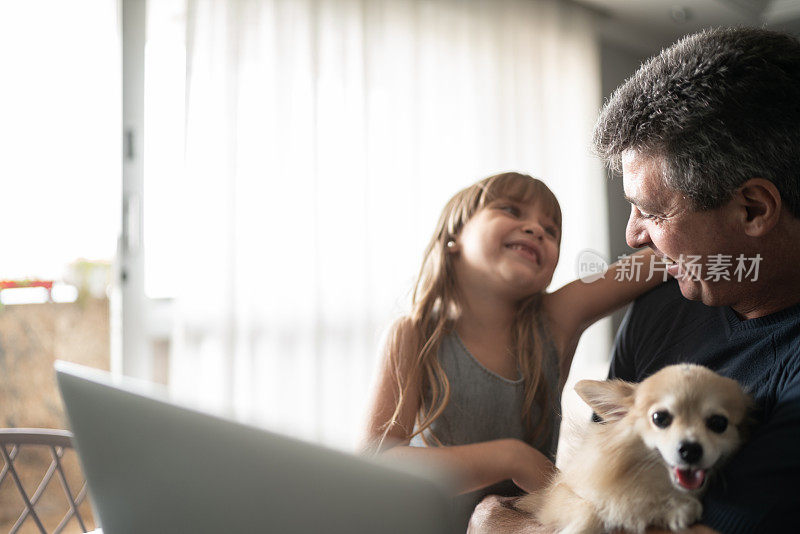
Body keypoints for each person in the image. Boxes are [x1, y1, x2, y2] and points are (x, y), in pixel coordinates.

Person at [469, 27, 800, 534]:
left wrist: (502, 523)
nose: (632, 234)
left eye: (651, 211)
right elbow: (592, 491)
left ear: (753, 209)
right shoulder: (667, 303)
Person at [360, 171, 661, 531]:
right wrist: (512, 457)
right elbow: (377, 457)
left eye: (551, 231)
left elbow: (662, 260)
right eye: (511, 210)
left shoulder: (553, 320)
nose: (536, 229)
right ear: (453, 235)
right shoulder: (413, 335)